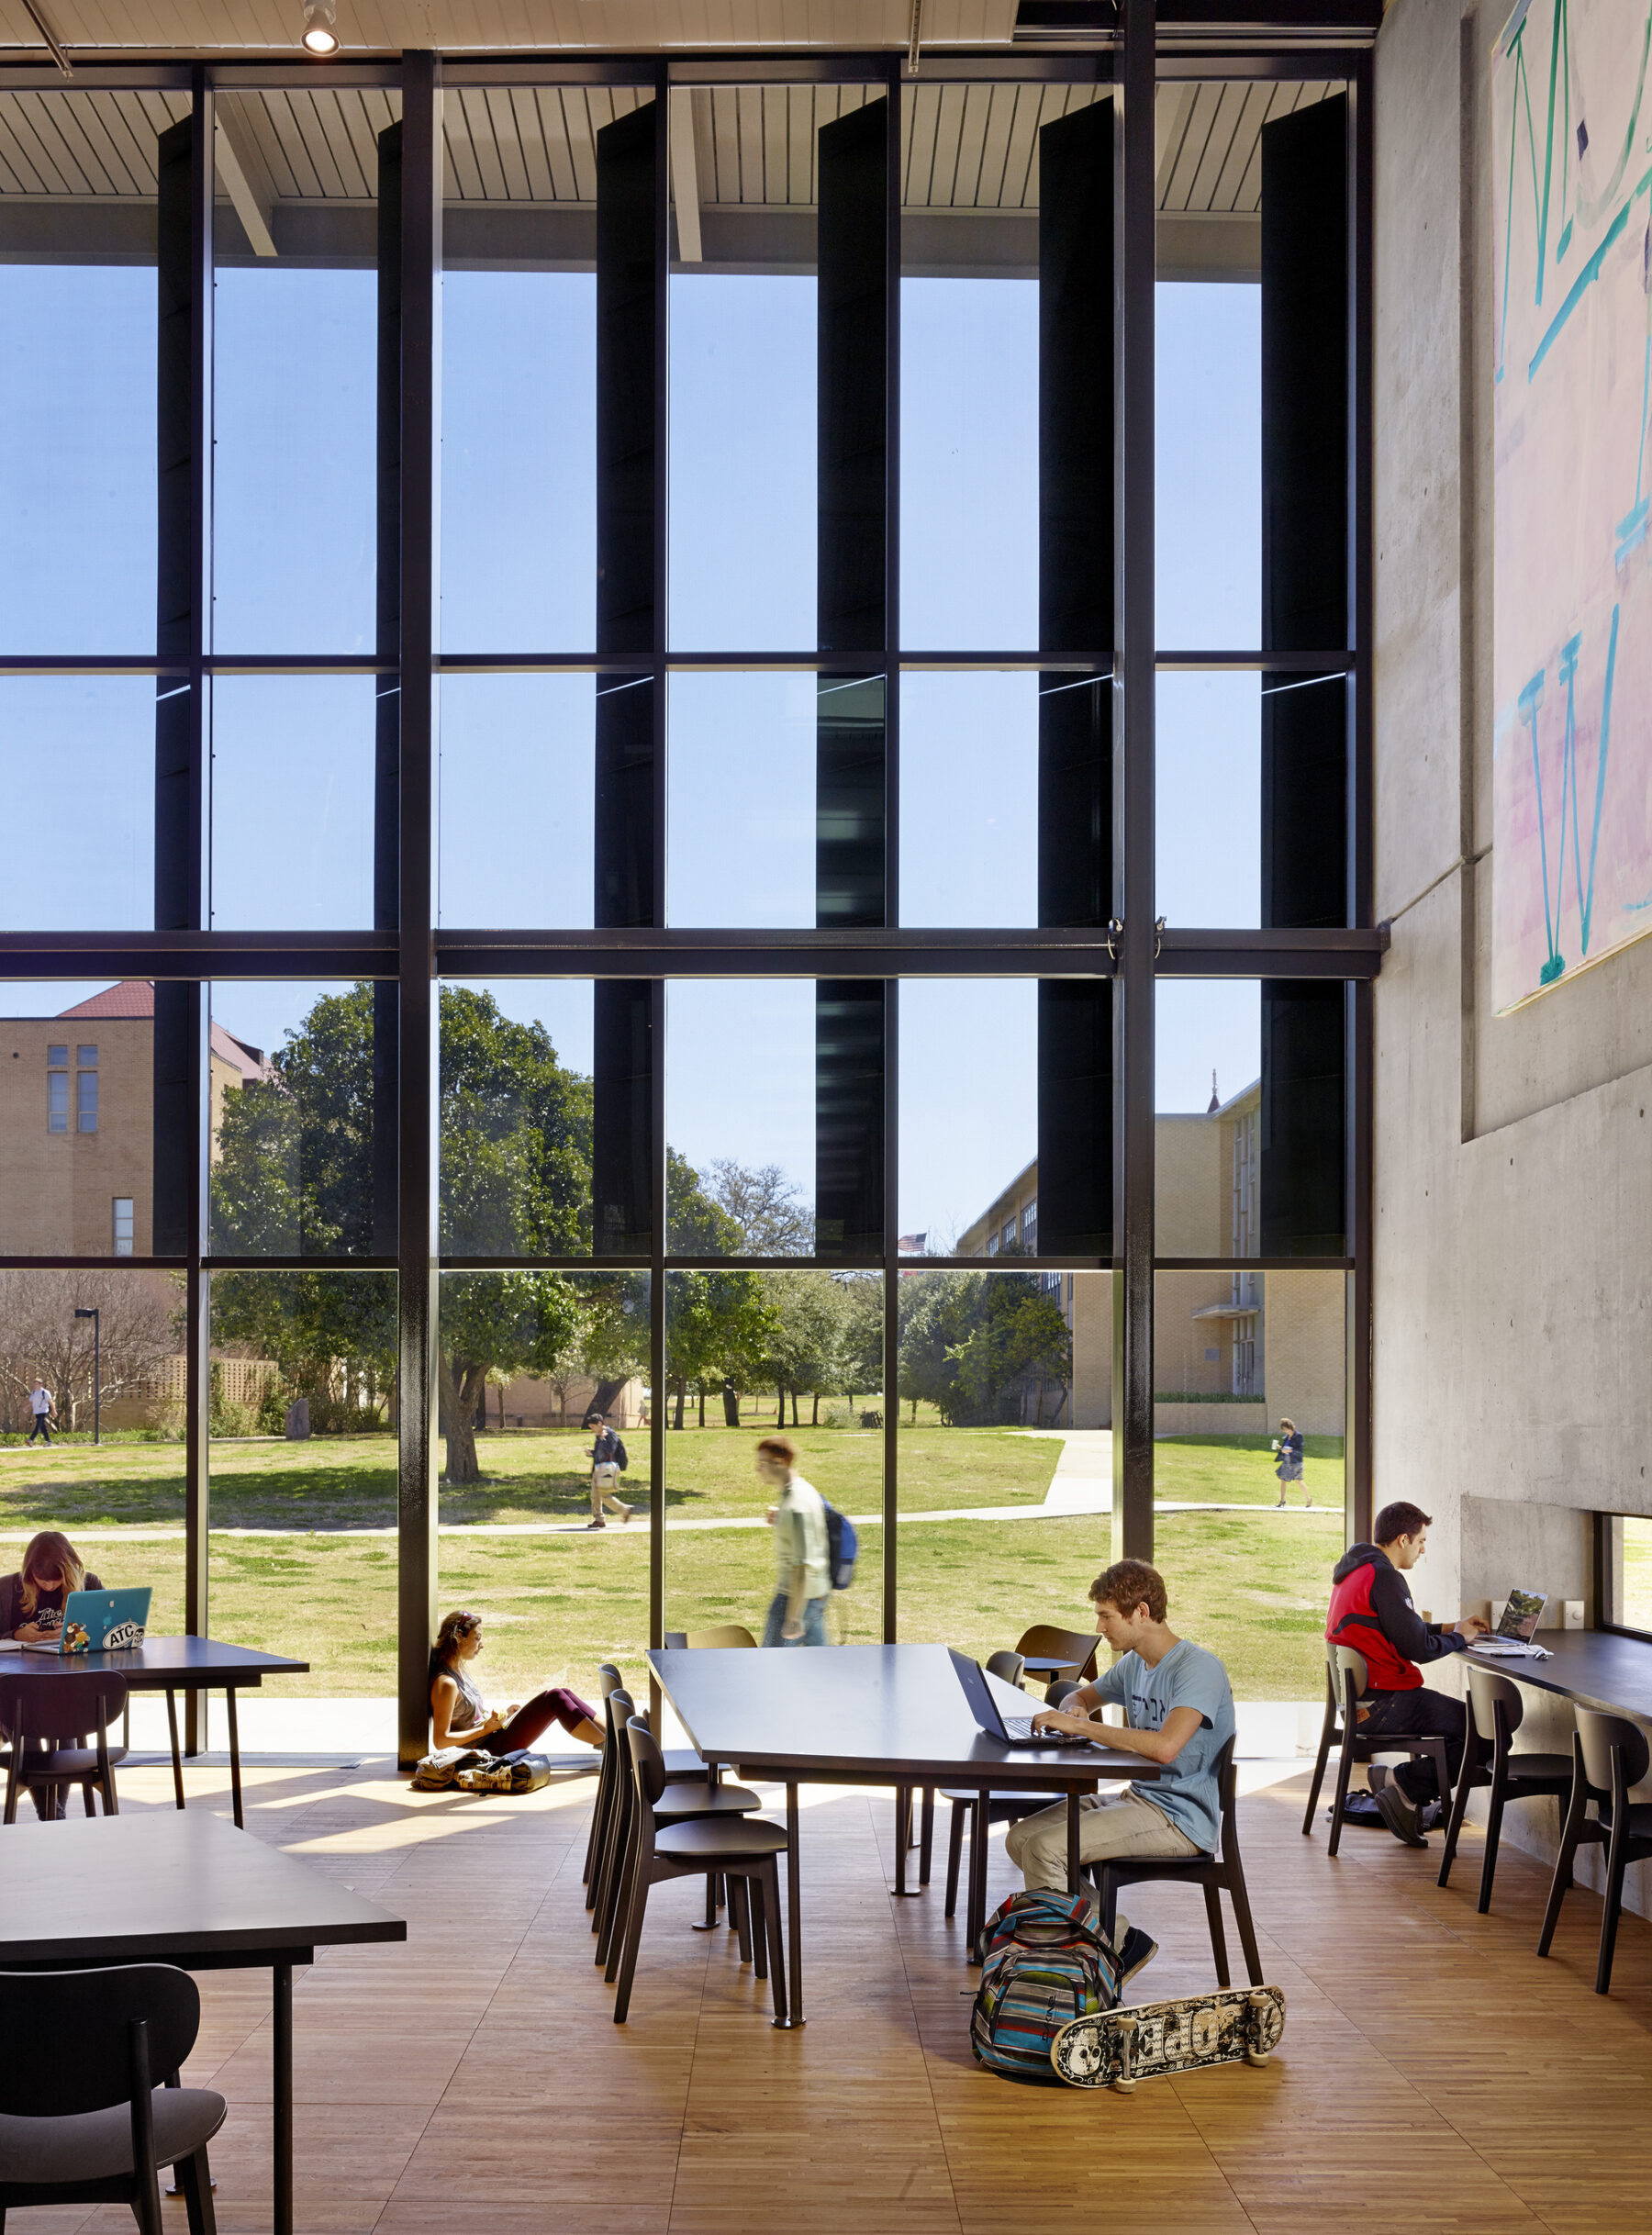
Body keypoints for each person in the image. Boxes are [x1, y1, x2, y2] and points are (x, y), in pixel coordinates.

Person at [1006, 1559, 1236, 1991]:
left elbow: (1166, 1748)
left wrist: (1081, 1726)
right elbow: (1082, 1696)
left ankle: (1070, 1977)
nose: (1100, 1627)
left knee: (1046, 1850)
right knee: (1021, 1839)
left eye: (1107, 1616)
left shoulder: (1197, 1669)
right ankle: (1119, 1941)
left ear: (1142, 1613)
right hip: (1142, 1801)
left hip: (1181, 1818)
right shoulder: (1134, 1664)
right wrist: (1074, 1708)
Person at [1326, 1500, 1489, 1847]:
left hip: (1362, 1703)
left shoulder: (1357, 1571)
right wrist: (1462, 1638)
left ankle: (1401, 1787)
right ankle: (1401, 1786)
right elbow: (1418, 1649)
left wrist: (1452, 1627)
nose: (1423, 1549)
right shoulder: (1386, 1577)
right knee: (1487, 1732)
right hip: (1385, 1703)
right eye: (1421, 1542)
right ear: (1403, 1540)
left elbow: (1401, 1629)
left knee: (1474, 1729)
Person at [0, 1532, 104, 1820]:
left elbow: (107, 1635)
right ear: (29, 1569)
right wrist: (16, 1634)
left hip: (69, 1688)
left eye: (55, 1581)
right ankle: (52, 1812)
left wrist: (73, 1634)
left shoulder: (89, 1586)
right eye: (40, 1579)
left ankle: (51, 1813)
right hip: (15, 1690)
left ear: (69, 1571)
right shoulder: (8, 1589)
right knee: (19, 1711)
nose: (47, 1585)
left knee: (64, 1712)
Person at [427, 1610, 604, 1755]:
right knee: (555, 1698)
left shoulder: (459, 1671)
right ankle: (610, 1747)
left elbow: (469, 1721)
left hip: (492, 1738)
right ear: (459, 1638)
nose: (481, 1645)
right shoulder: (446, 1684)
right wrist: (485, 1730)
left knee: (563, 1692)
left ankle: (614, 1736)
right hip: (483, 1751)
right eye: (477, 1638)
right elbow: (441, 1740)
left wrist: (501, 1719)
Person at [757, 1435, 830, 1648]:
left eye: (762, 1463)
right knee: (820, 1666)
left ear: (779, 1463)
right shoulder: (804, 1491)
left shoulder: (795, 1506)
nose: (758, 1469)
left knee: (770, 1668)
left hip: (793, 1599)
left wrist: (793, 1617)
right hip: (817, 1597)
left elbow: (801, 1566)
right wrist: (782, 1517)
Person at [584, 1413, 632, 1530]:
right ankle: (599, 1520)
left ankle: (625, 1510)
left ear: (600, 1423)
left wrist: (602, 1439)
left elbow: (611, 1450)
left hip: (608, 1470)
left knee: (604, 1495)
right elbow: (600, 1452)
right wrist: (592, 1453)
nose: (592, 1430)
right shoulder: (599, 1435)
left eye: (593, 1427)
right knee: (594, 1496)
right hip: (599, 1468)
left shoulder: (610, 1434)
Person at [1272, 1417, 1306, 1508]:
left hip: (1296, 1462)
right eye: (1284, 1430)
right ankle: (1282, 1501)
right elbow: (1284, 1448)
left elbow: (1299, 1450)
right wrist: (1279, 1447)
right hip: (1287, 1462)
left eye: (1285, 1429)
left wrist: (1289, 1451)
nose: (1285, 1431)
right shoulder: (1287, 1437)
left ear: (1289, 1427)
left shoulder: (1298, 1436)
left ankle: (1308, 1499)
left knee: (1298, 1481)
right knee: (1283, 1480)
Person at [26, 1380, 53, 1447]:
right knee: (43, 1426)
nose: (35, 1385)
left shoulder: (45, 1392)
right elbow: (31, 1402)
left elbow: (50, 1402)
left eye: (37, 1384)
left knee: (38, 1426)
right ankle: (48, 1441)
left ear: (41, 1384)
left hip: (44, 1411)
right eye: (34, 1384)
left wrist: (54, 1410)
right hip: (37, 1412)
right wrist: (26, 1407)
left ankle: (31, 1440)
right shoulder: (34, 1392)